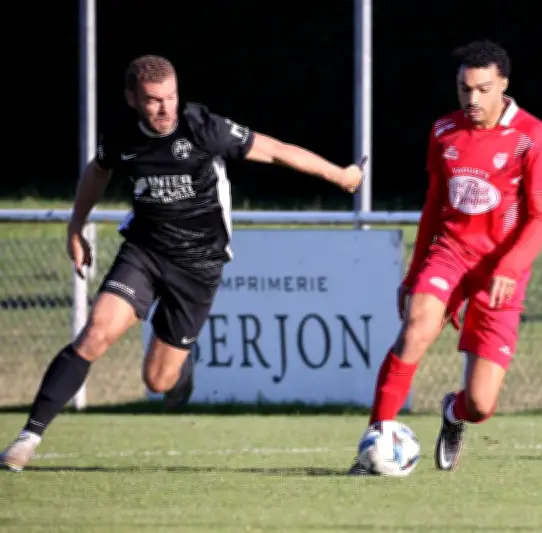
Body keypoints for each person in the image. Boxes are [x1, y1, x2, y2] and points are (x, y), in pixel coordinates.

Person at [1, 55, 366, 472]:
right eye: (154, 100)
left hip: (199, 265)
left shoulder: (201, 127)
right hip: (145, 251)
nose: (165, 108)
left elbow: (276, 151)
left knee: (158, 381)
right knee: (95, 333)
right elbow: (98, 171)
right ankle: (28, 438)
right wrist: (75, 226)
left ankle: (182, 362)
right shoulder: (122, 135)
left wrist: (341, 176)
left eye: (171, 97)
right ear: (132, 99)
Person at [349, 40, 542, 475]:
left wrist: (511, 267)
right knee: (415, 329)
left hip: (500, 269)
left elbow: (541, 219)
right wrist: (411, 277)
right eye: (465, 88)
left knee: (481, 403)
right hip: (451, 253)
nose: (472, 99)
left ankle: (454, 413)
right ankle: (375, 446)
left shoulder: (532, 137)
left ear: (503, 84)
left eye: (483, 89)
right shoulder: (445, 130)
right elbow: (432, 207)